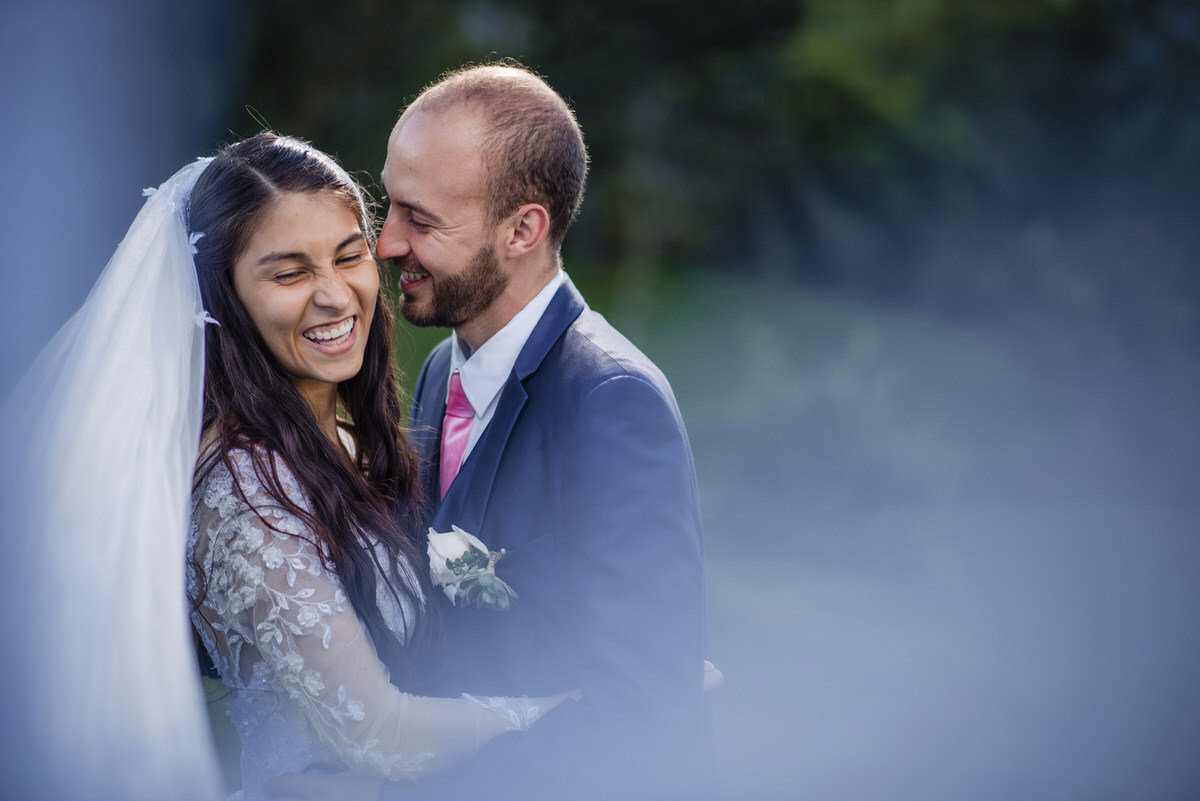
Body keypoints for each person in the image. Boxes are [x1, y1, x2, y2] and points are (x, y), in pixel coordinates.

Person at [0, 132, 577, 801]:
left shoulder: (347, 433)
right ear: (222, 298)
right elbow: (377, 732)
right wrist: (566, 709)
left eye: (348, 256)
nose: (334, 295)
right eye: (289, 273)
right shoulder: (246, 490)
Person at [357, 62, 713, 801]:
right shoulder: (439, 372)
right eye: (390, 207)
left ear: (523, 229)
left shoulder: (612, 403)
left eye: (419, 220)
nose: (387, 243)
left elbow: (644, 712)